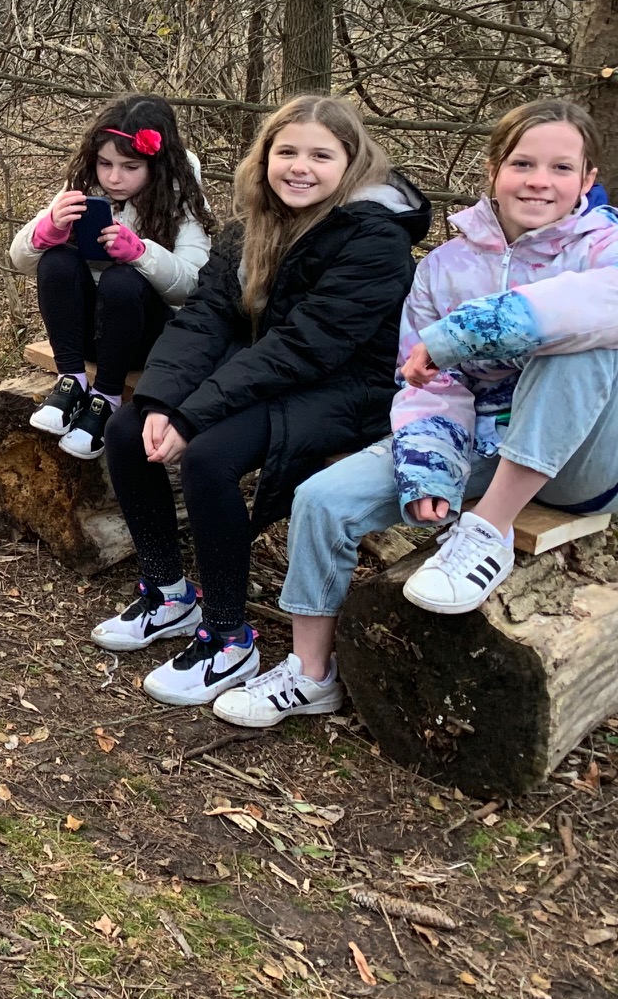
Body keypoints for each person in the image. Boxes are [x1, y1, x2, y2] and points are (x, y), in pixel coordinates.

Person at [215, 101, 618, 728]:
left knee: (582, 346)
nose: (540, 180)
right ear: (493, 170)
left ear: (587, 180)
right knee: (322, 499)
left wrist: (467, 331)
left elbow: (591, 308)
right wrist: (430, 465)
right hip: (481, 448)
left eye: (560, 167)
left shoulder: (605, 248)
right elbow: (429, 383)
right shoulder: (445, 266)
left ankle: (488, 531)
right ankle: (310, 673)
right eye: (523, 163)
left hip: (584, 457)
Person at [90, 94, 431, 706]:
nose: (300, 167)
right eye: (287, 151)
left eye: (321, 155)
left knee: (209, 456)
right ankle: (169, 595)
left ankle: (230, 636)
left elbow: (308, 347)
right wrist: (166, 401)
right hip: (267, 371)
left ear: (350, 164)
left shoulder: (374, 240)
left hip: (349, 387)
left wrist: (197, 415)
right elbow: (204, 320)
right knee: (127, 427)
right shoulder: (251, 228)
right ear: (265, 156)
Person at [9, 95, 214, 458]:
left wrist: (142, 253)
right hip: (88, 336)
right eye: (105, 163)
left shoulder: (182, 198)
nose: (114, 177)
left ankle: (106, 399)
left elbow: (193, 285)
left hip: (147, 342)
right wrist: (48, 229)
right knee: (56, 259)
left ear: (157, 165)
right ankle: (70, 381)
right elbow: (19, 258)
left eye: (130, 166)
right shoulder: (87, 185)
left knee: (123, 279)